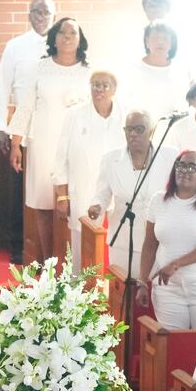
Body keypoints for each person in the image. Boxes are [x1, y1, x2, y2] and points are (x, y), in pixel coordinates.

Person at [9, 16, 92, 261]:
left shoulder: (88, 72)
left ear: (80, 40)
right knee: (45, 203)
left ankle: (75, 263)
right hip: (43, 141)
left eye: (73, 33)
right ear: (54, 38)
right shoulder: (39, 68)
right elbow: (24, 107)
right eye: (62, 32)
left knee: (76, 201)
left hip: (77, 142)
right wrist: (16, 144)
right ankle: (47, 263)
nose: (67, 37)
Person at [139, 150, 196, 330]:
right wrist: (142, 282)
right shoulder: (159, 200)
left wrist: (176, 264)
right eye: (180, 165)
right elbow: (149, 245)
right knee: (171, 345)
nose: (184, 170)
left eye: (191, 167)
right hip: (168, 289)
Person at [90, 110, 177, 276]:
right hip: (123, 239)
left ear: (151, 131)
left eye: (139, 129)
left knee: (153, 294)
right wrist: (97, 206)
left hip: (159, 240)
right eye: (128, 129)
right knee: (122, 291)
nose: (133, 134)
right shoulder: (110, 159)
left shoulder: (170, 155)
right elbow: (102, 194)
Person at [53, 70, 124, 260]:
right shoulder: (74, 115)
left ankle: (110, 289)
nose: (99, 89)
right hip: (83, 189)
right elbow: (61, 158)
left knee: (116, 243)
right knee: (81, 247)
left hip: (117, 191)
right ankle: (79, 287)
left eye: (104, 85)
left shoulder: (125, 116)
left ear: (114, 90)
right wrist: (62, 197)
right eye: (95, 85)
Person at [0, 0, 54, 141]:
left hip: (56, 124)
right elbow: (2, 88)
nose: (42, 18)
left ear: (55, 17)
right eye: (37, 12)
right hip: (23, 125)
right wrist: (0, 127)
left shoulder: (62, 47)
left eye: (47, 13)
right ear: (29, 17)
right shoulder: (15, 46)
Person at [126, 20, 191, 118]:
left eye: (165, 38)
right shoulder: (132, 69)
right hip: (138, 128)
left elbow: (184, 105)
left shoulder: (180, 72)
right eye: (155, 38)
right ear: (147, 41)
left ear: (171, 44)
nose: (160, 42)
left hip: (170, 128)